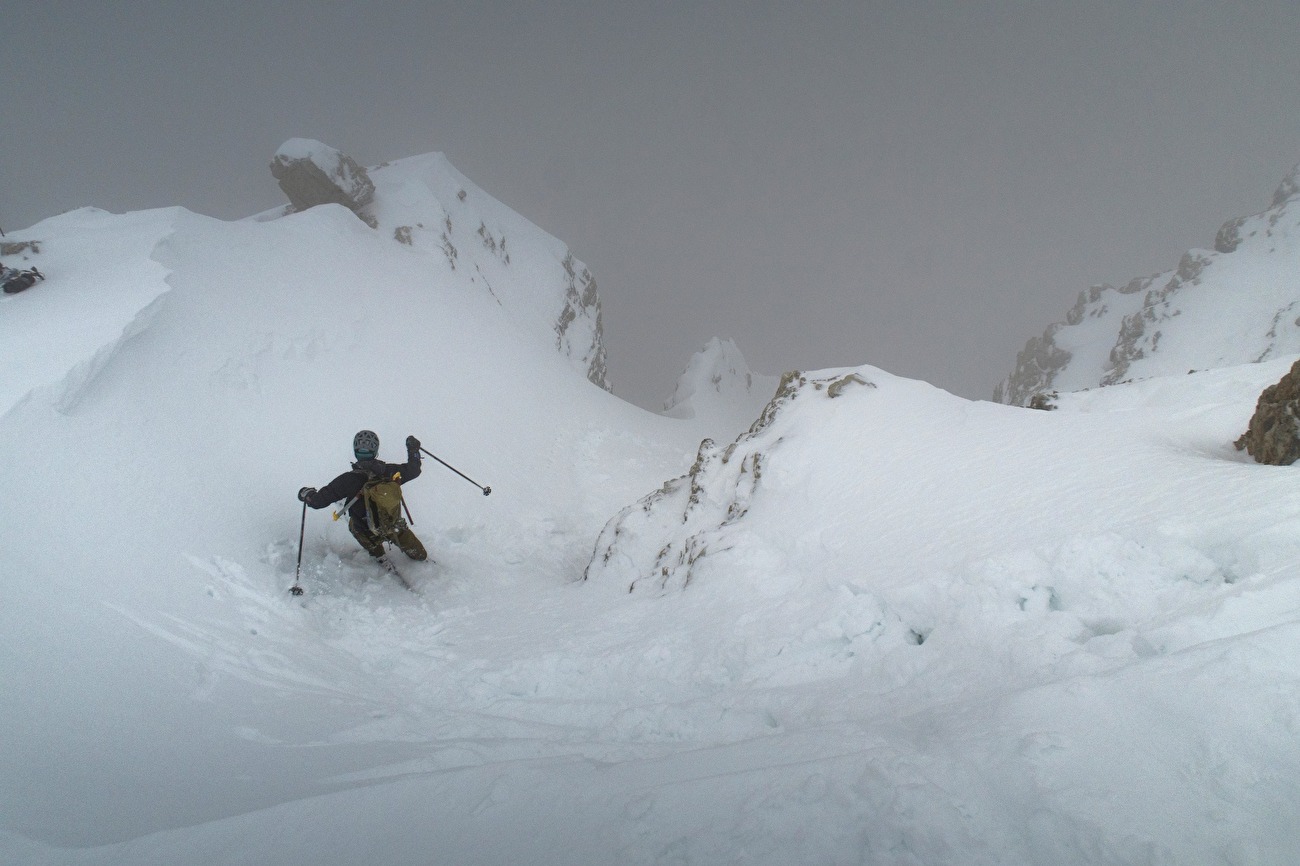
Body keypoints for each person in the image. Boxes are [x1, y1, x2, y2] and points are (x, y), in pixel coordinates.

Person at [298, 430, 428, 563]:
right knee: (421, 555)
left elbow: (317, 502)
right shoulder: (390, 471)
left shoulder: (347, 480)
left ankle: (379, 555)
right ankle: (419, 556)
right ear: (376, 450)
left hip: (365, 529)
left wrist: (307, 494)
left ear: (355, 451)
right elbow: (414, 469)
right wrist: (414, 450)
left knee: (354, 525)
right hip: (393, 526)